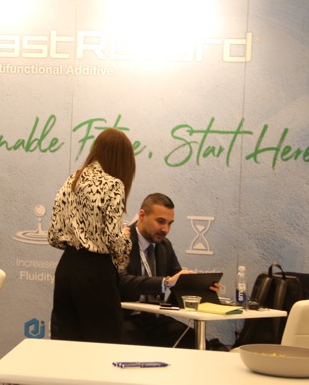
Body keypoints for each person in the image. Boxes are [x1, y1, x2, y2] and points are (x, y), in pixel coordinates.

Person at [48, 127, 135, 343]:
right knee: (105, 346)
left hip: (67, 268)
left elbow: (54, 235)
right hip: (96, 272)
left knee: (67, 345)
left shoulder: (71, 180)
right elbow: (114, 239)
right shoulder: (113, 184)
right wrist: (124, 242)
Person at [119, 193, 224, 349]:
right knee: (139, 349)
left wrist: (204, 289)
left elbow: (178, 284)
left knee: (199, 344)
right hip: (125, 318)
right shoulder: (122, 240)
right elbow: (122, 281)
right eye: (160, 221)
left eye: (170, 223)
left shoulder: (164, 246)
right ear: (142, 215)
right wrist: (166, 282)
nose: (165, 229)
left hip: (154, 320)